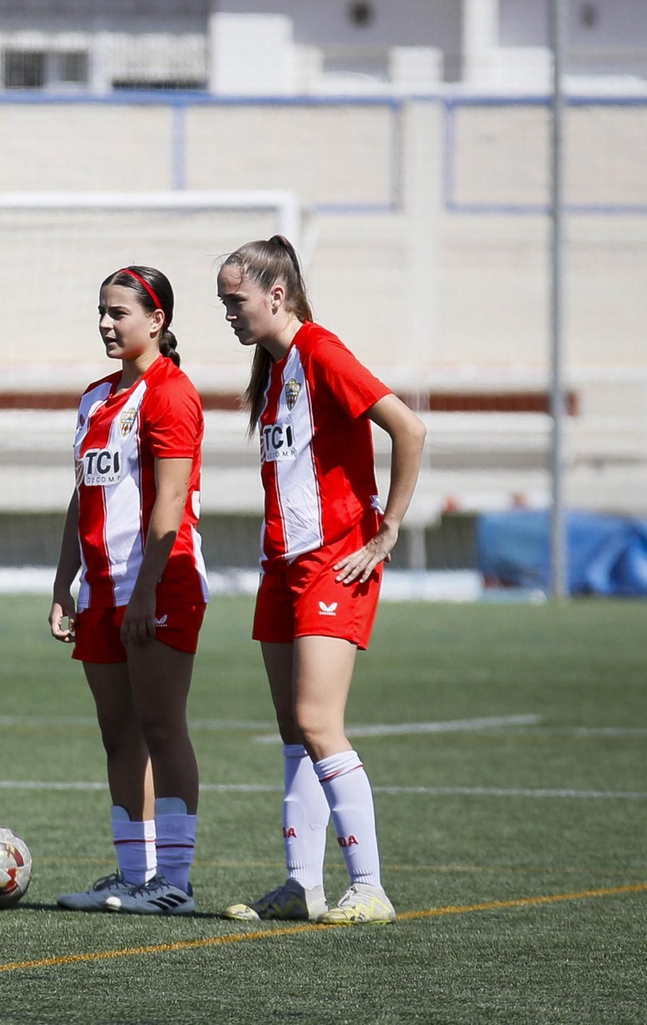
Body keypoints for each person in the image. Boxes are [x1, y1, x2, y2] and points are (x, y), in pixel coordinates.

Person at [215, 236, 426, 926]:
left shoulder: (323, 353)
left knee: (317, 721)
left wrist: (386, 528)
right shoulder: (275, 372)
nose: (230, 314)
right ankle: (301, 883)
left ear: (277, 294)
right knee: (292, 728)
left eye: (236, 300)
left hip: (335, 561)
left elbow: (409, 429)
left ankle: (369, 885)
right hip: (282, 565)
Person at [52, 266, 209, 916]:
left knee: (162, 725)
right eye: (101, 311)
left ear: (157, 320)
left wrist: (145, 587)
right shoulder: (95, 398)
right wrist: (64, 581)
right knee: (118, 732)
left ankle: (174, 881)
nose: (106, 323)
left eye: (120, 312)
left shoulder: (171, 393)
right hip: (103, 589)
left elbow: (170, 499)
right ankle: (133, 872)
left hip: (160, 582)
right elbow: (81, 497)